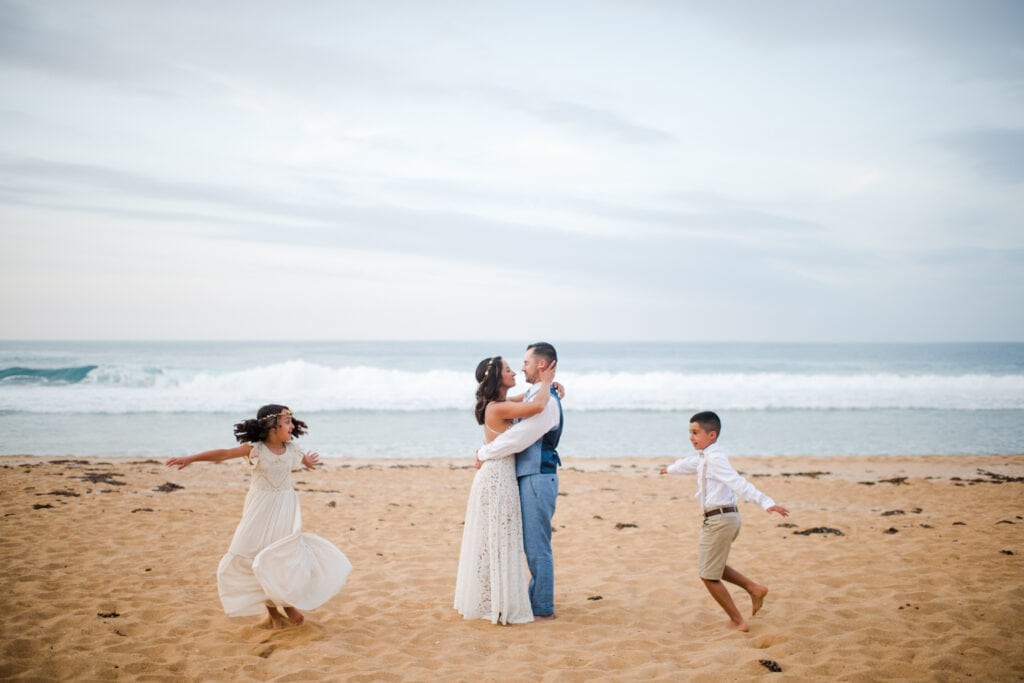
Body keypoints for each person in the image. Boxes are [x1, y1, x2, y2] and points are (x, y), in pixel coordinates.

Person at [165, 404, 352, 628]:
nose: (292, 426)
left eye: (292, 421)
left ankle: (288, 604)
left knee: (281, 553)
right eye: (287, 422)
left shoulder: (292, 449)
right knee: (253, 554)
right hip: (259, 507)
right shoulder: (256, 449)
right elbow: (224, 454)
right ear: (272, 426)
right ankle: (273, 611)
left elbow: (300, 457)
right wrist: (191, 458)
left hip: (285, 505)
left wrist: (307, 462)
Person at [659, 411, 789, 632]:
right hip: (723, 518)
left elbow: (738, 482)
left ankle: (737, 621)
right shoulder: (706, 456)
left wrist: (767, 502)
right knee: (713, 566)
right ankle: (754, 588)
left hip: (720, 519)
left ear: (712, 434)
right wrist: (669, 469)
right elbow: (690, 464)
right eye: (690, 432)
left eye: (695, 432)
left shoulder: (715, 458)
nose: (691, 437)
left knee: (708, 576)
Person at [454, 354, 558, 624]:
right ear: (498, 379)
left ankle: (498, 598)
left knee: (501, 538)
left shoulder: (499, 403)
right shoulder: (496, 408)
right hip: (497, 477)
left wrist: (550, 387)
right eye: (509, 370)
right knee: (498, 539)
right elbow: (536, 406)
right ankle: (497, 601)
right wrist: (547, 381)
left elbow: (528, 397)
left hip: (501, 475)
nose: (515, 372)